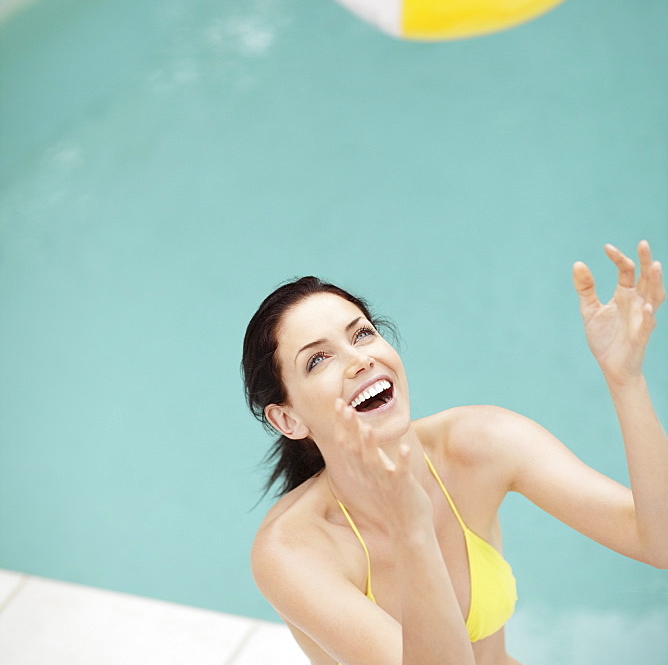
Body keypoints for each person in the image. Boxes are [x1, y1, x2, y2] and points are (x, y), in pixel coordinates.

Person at [241, 242, 667, 665]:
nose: (359, 361)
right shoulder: (292, 550)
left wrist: (626, 380)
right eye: (318, 359)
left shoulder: (480, 443)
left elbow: (660, 544)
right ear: (287, 420)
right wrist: (413, 528)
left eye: (362, 334)